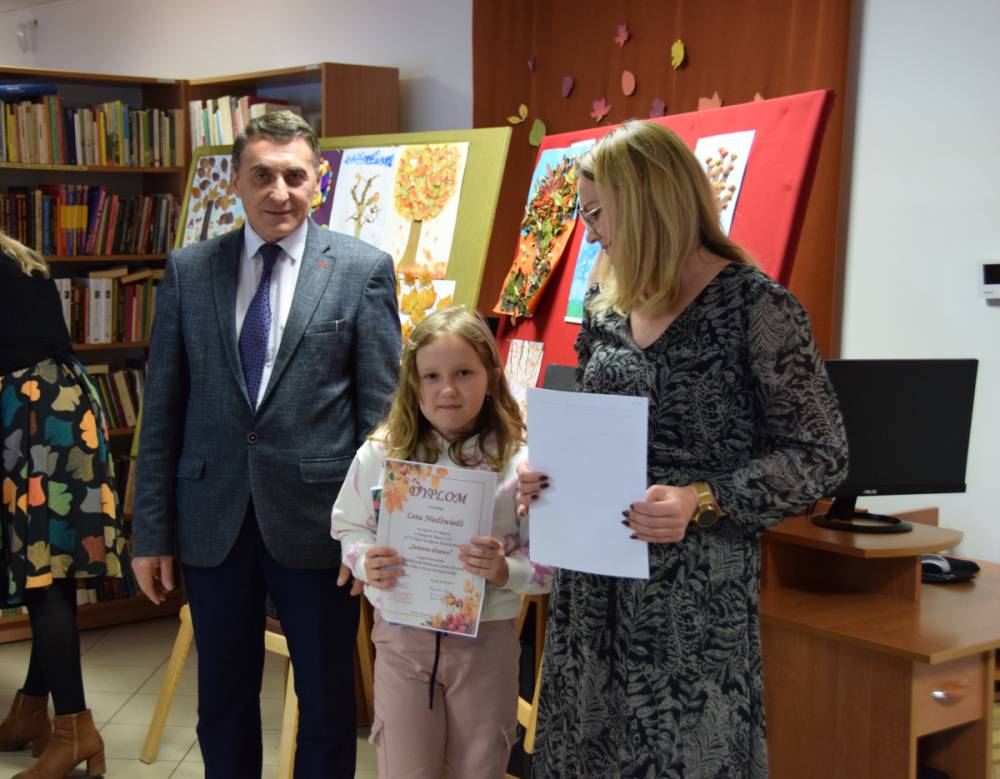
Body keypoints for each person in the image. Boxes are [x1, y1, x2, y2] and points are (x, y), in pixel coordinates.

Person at [516, 120, 849, 778]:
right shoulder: (604, 304)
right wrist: (546, 472)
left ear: (646, 202)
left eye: (596, 213)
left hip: (692, 601)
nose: (590, 233)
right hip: (593, 587)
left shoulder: (758, 307)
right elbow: (593, 423)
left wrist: (704, 497)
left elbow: (822, 455)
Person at [131, 111, 402, 779]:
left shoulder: (361, 270)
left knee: (328, 704)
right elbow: (162, 410)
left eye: (294, 176)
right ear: (235, 181)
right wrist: (150, 532)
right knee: (222, 700)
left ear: (318, 179)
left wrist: (373, 529)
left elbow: (382, 420)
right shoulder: (190, 270)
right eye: (262, 175)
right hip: (212, 519)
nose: (279, 192)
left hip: (320, 526)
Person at [332, 306, 552, 779]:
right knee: (405, 766)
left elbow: (551, 566)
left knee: (479, 764)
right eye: (431, 376)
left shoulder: (523, 465)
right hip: (402, 641)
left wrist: (505, 570)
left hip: (485, 643)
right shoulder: (382, 452)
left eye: (463, 373)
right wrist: (365, 560)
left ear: (492, 378)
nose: (447, 389)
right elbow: (348, 526)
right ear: (414, 384)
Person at [0, 231, 130, 778]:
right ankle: (33, 710)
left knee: (42, 571)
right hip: (63, 404)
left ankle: (75, 729)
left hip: (33, 416)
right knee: (48, 569)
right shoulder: (15, 256)